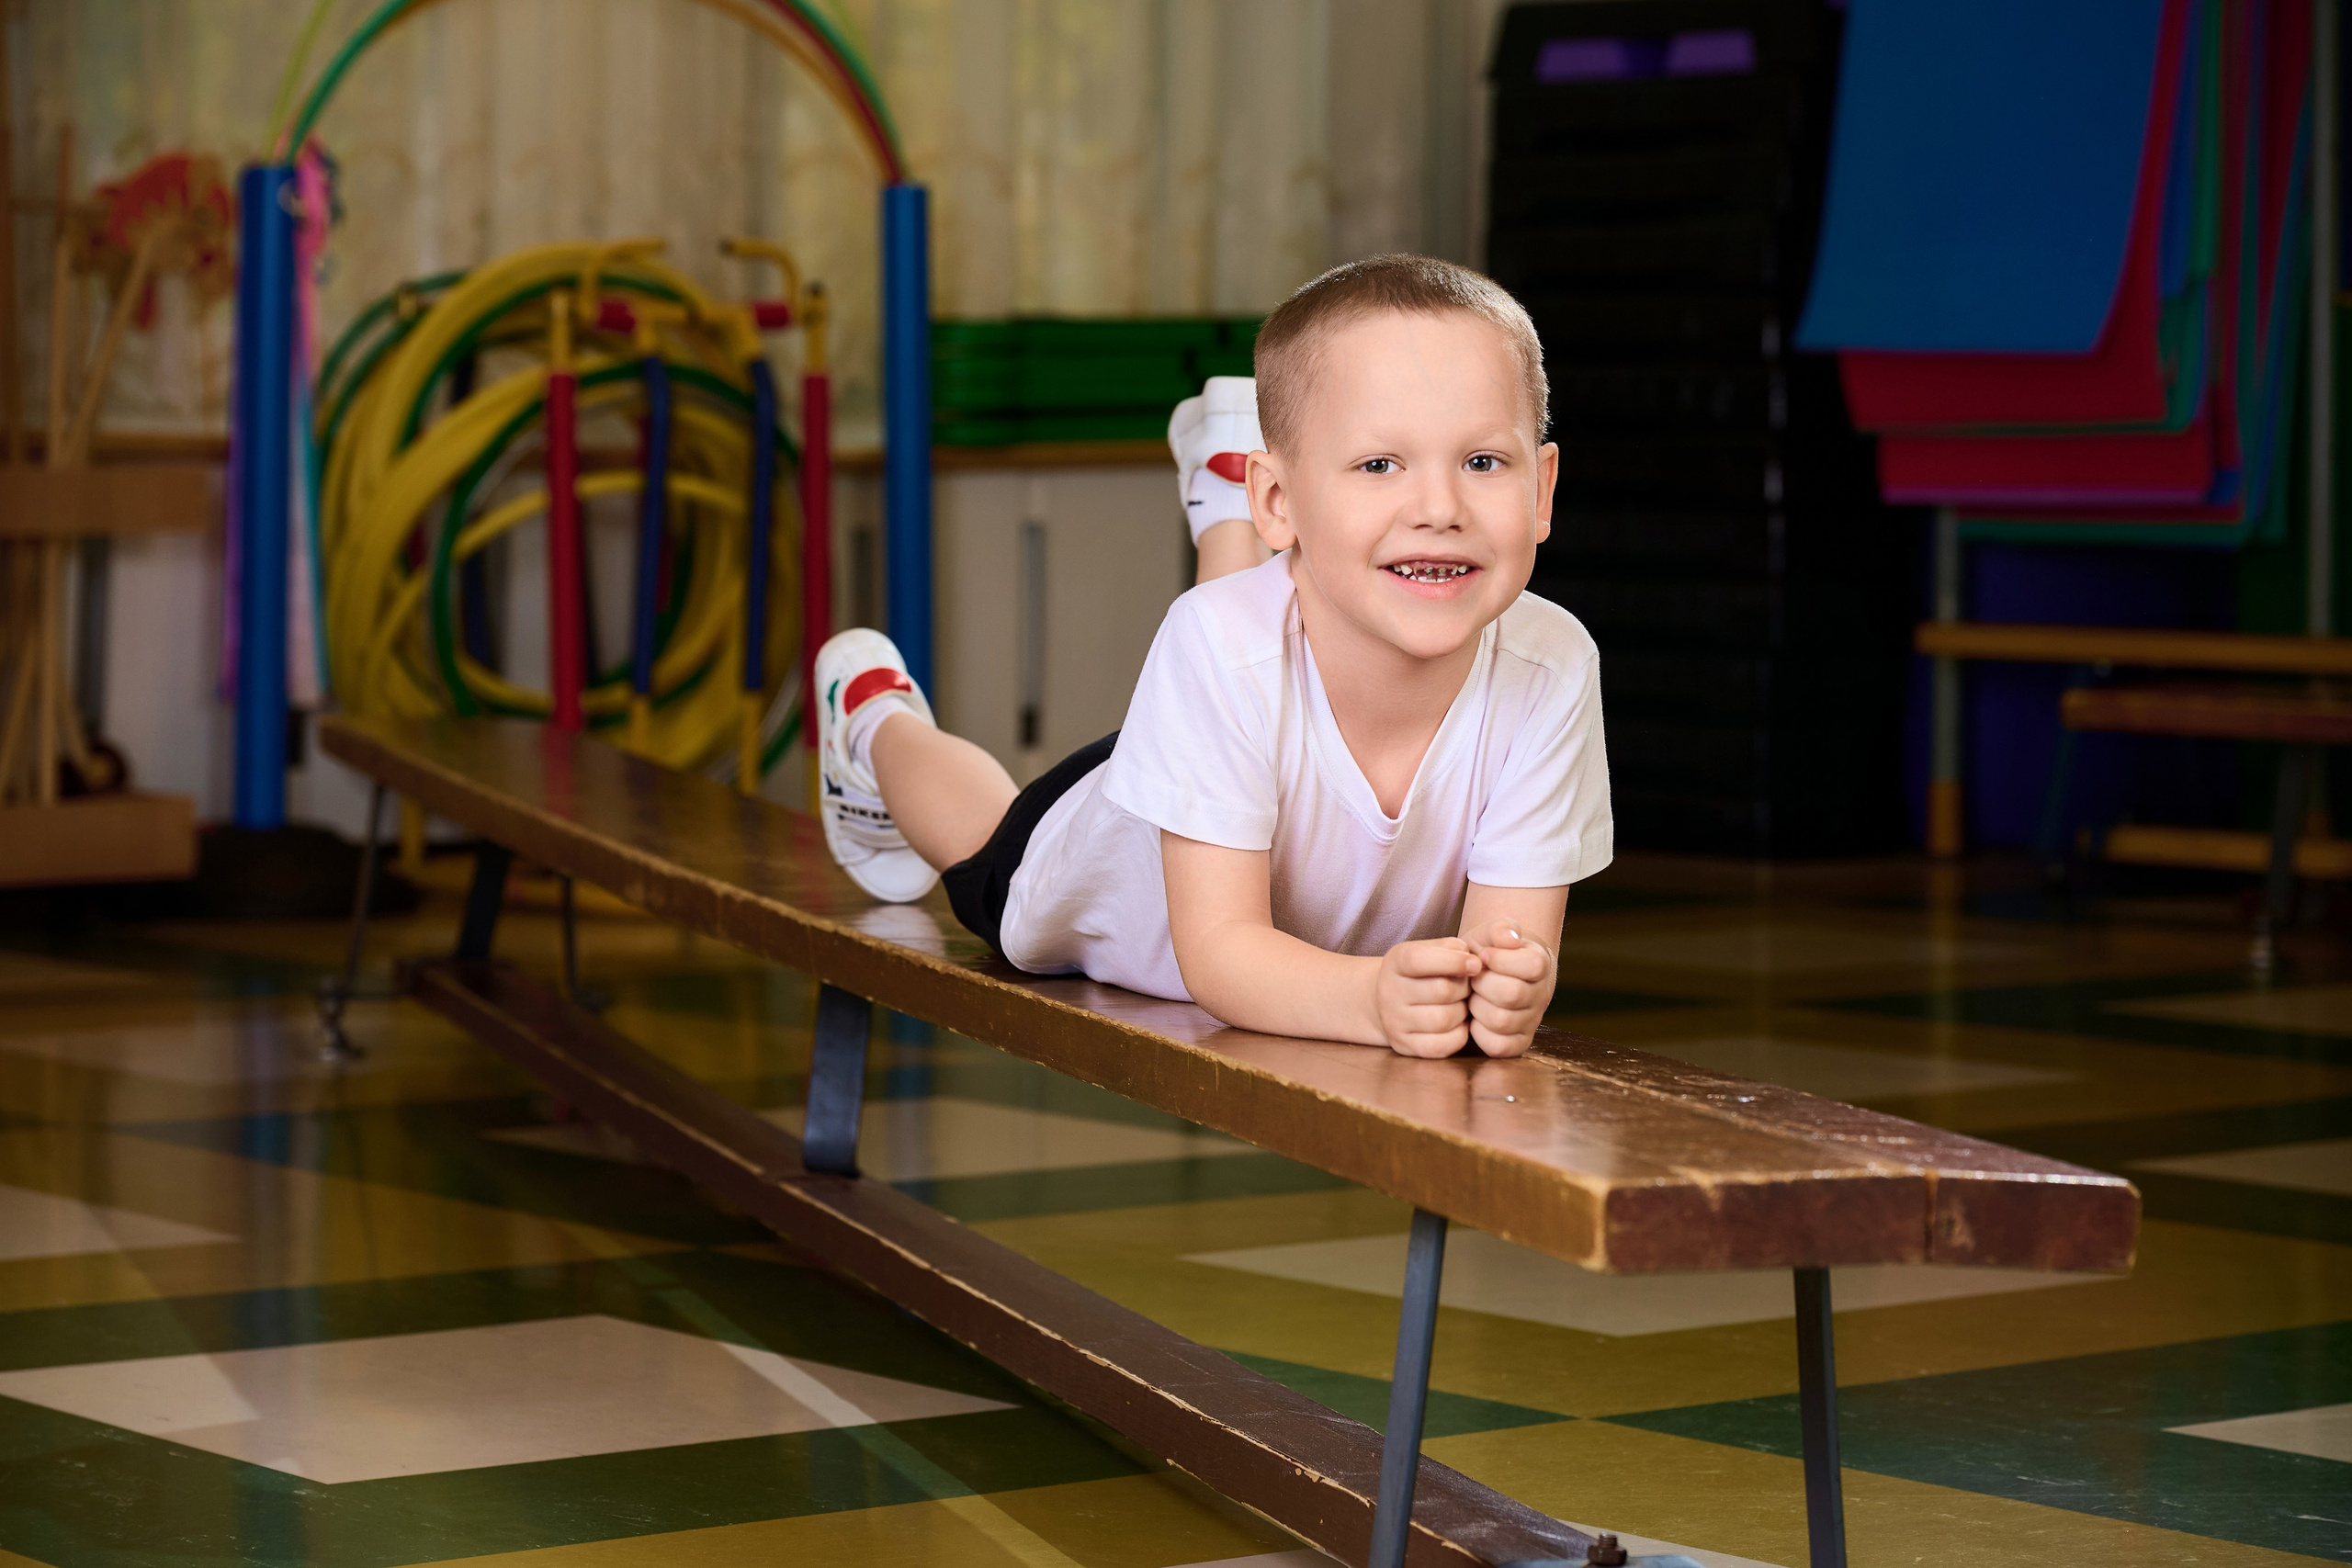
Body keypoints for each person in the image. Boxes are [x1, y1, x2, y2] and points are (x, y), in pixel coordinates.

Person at [811, 254, 1611, 1058]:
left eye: (1482, 462)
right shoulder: (1217, 647)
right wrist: (1370, 999)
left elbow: (1506, 949)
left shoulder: (1553, 666)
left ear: (1542, 491)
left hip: (1242, 710)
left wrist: (1508, 988)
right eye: (1379, 464)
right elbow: (1222, 957)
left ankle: (1225, 488)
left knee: (1240, 637)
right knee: (988, 843)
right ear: (1283, 500)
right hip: (1124, 849)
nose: (1440, 508)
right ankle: (871, 718)